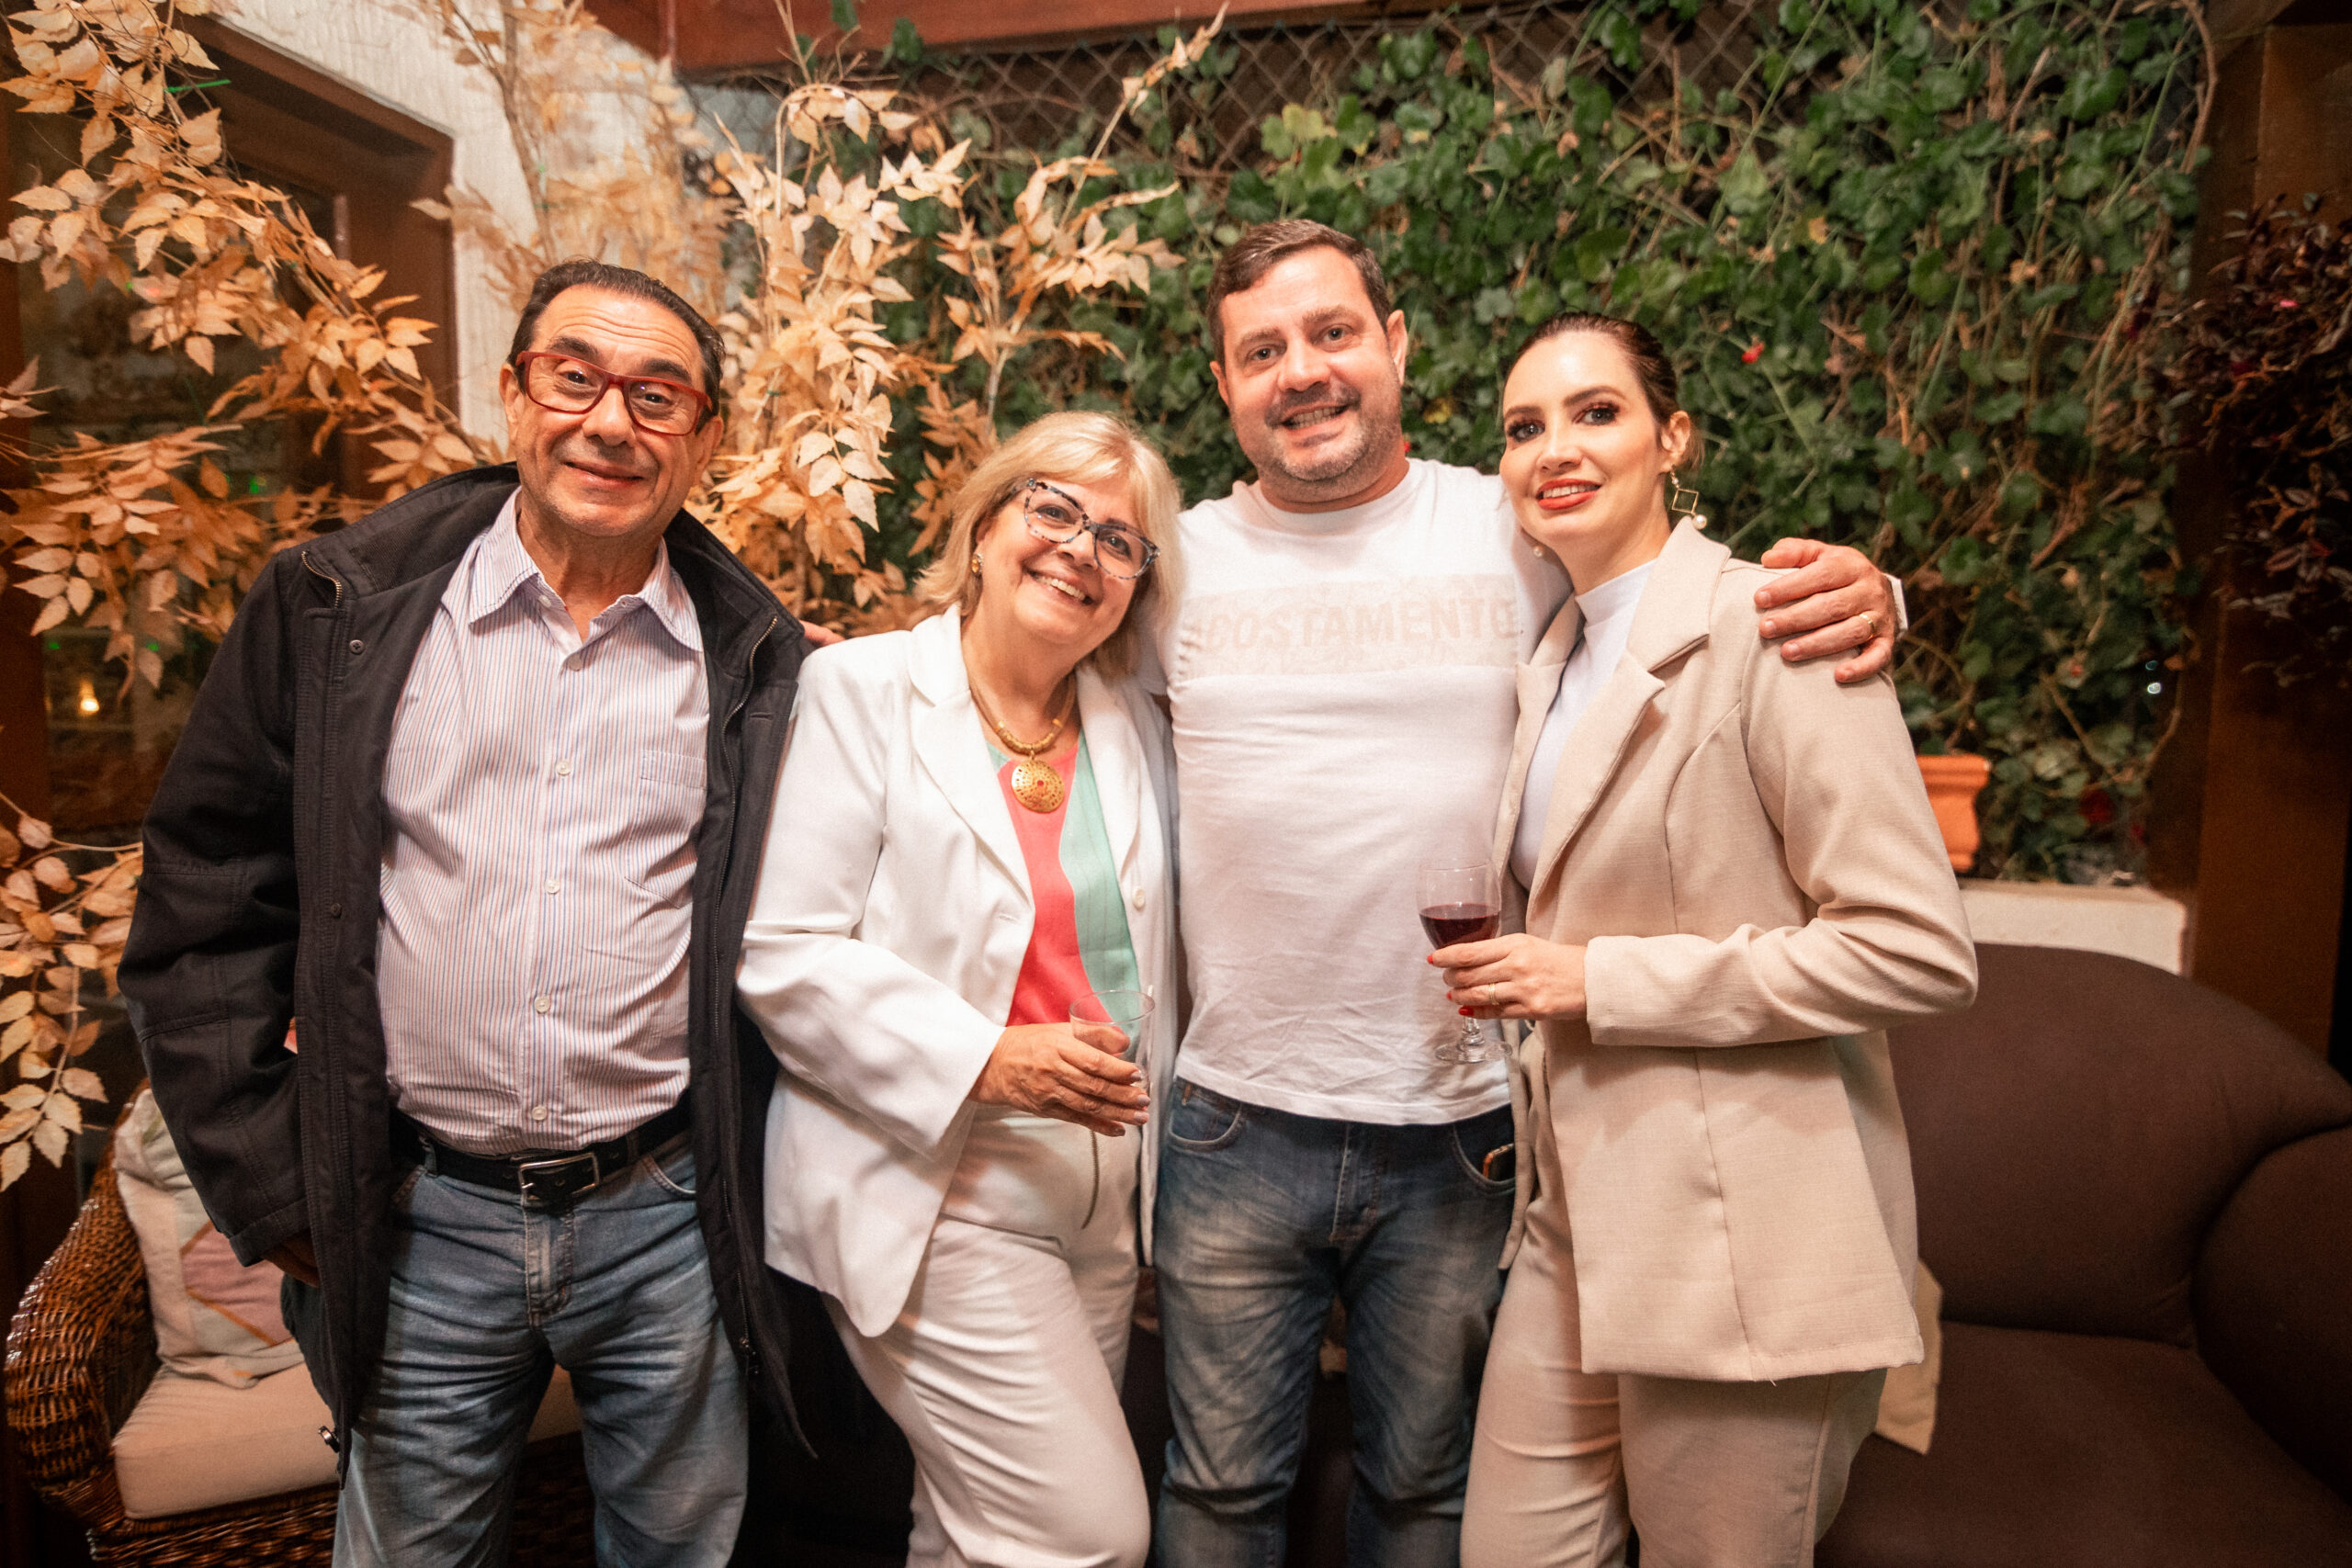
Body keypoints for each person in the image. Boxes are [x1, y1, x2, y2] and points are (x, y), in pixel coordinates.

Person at [1146, 220, 1907, 1568]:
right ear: (1222, 385)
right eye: (1261, 350)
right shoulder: (1174, 562)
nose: (1301, 370)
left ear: (1395, 346)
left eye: (1332, 332)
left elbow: (1689, 601)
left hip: (1464, 1124)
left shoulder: (1515, 522)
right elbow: (1008, 653)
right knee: (1215, 1493)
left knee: (1424, 1495)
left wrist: (1874, 594)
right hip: (1231, 1119)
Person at [119, 259, 808, 1567]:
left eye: (658, 396)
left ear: (706, 437)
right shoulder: (338, 611)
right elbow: (205, 896)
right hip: (420, 1217)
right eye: (575, 378)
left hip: (667, 1218)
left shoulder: (761, 664)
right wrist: (280, 1185)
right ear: (512, 394)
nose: (611, 422)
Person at [1436, 312, 1977, 1567]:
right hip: (1574, 1215)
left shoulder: (1776, 625)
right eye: (1524, 426)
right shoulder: (1553, 655)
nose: (1555, 447)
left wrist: (1594, 979)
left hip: (1743, 1234)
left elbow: (1915, 948)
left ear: (1672, 438)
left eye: (1596, 412)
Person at [736, 412, 1183, 1568]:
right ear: (983, 529)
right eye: (1053, 511)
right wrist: (986, 1057)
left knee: (976, 1530)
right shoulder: (860, 689)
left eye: (1119, 541)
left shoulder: (1128, 723)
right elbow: (782, 949)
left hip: (1101, 1195)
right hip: (937, 1188)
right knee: (1088, 1535)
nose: (1081, 550)